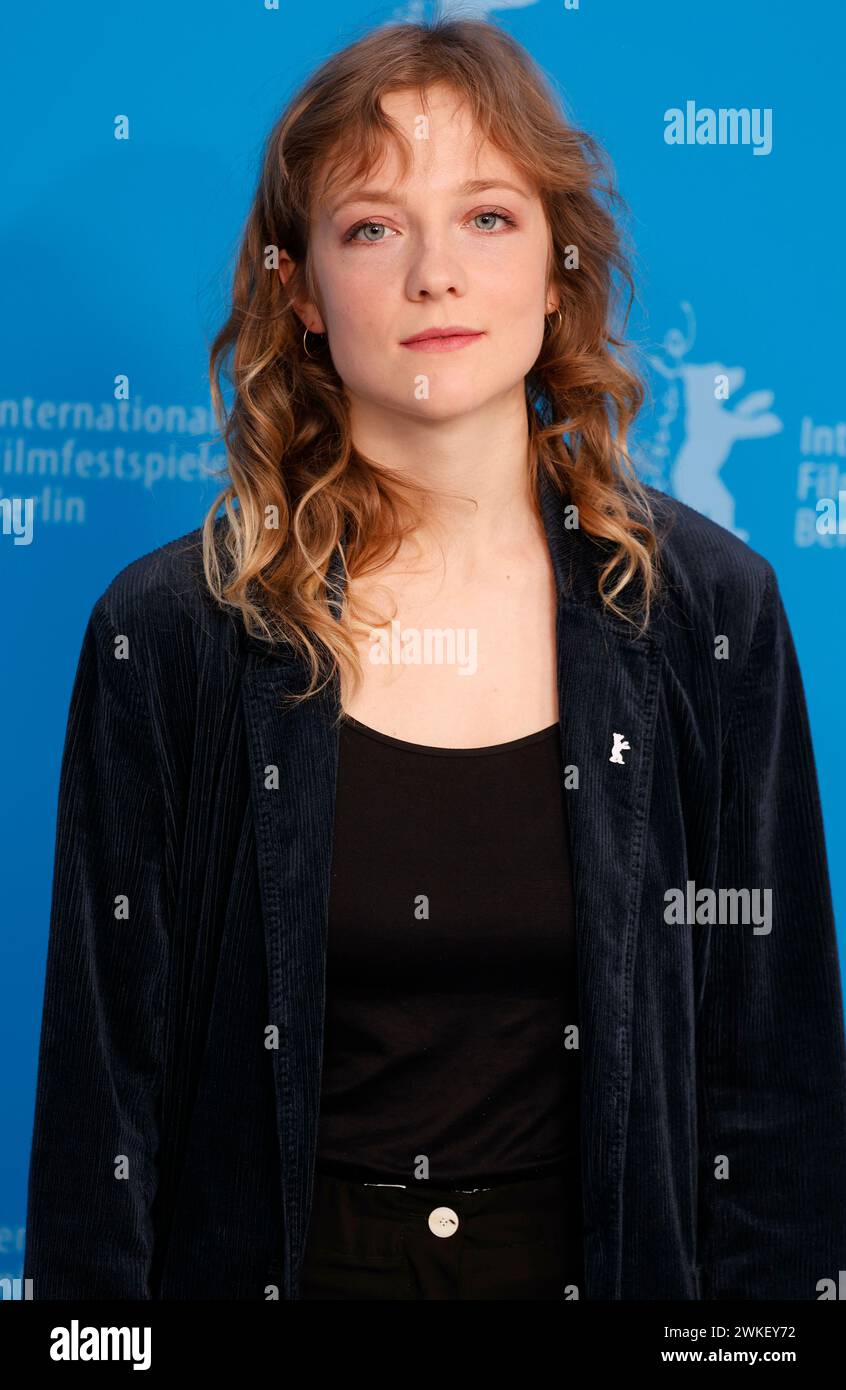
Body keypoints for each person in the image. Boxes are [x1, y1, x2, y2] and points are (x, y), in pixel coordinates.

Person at [23, 17, 846, 1301]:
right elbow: (101, 1116)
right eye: (371, 227)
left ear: (561, 269)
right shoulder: (171, 633)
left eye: (487, 219)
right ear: (300, 289)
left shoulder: (711, 612)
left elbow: (774, 1087)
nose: (433, 277)